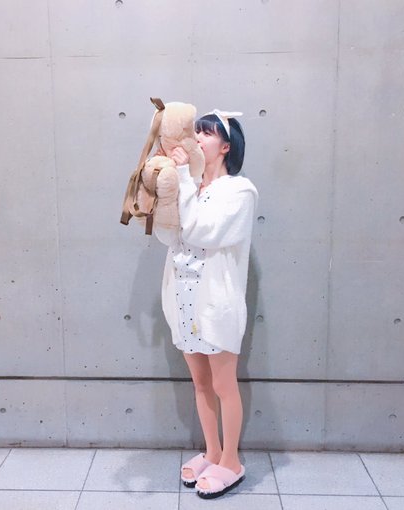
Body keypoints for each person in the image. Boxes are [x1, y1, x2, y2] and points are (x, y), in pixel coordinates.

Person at [153, 109, 258, 499]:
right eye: (196, 131)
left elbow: (203, 232)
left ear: (226, 146)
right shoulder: (191, 185)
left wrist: (183, 179)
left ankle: (231, 461)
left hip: (215, 303)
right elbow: (169, 237)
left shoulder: (239, 191)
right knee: (200, 384)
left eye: (207, 133)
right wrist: (171, 184)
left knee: (223, 384)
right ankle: (212, 452)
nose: (197, 138)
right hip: (183, 298)